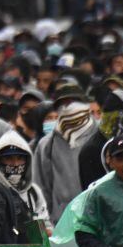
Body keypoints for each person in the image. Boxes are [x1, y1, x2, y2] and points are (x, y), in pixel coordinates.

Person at [33, 83, 100, 223]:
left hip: (99, 220)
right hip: (63, 222)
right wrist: (46, 221)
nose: (68, 108)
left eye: (73, 103)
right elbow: (41, 186)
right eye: (63, 104)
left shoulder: (101, 136)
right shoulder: (47, 144)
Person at [0, 130, 50, 232]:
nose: (15, 164)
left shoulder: (34, 191)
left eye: (20, 158)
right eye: (8, 158)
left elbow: (45, 223)